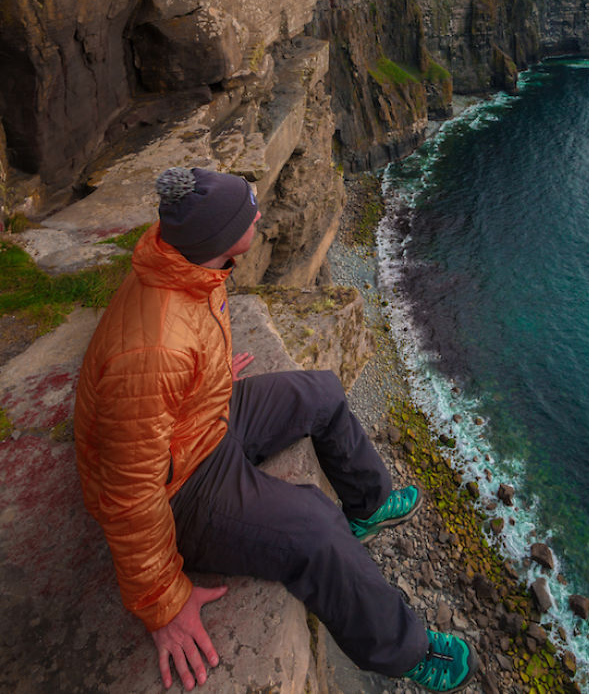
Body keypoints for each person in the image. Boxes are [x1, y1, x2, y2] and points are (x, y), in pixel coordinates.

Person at [74, 166, 476, 692]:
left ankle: (369, 504)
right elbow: (129, 493)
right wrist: (161, 603)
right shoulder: (156, 351)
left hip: (198, 422)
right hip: (180, 486)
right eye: (248, 211)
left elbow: (184, 348)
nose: (259, 214)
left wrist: (206, 374)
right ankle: (405, 652)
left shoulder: (189, 264)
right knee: (315, 527)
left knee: (321, 392)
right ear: (219, 236)